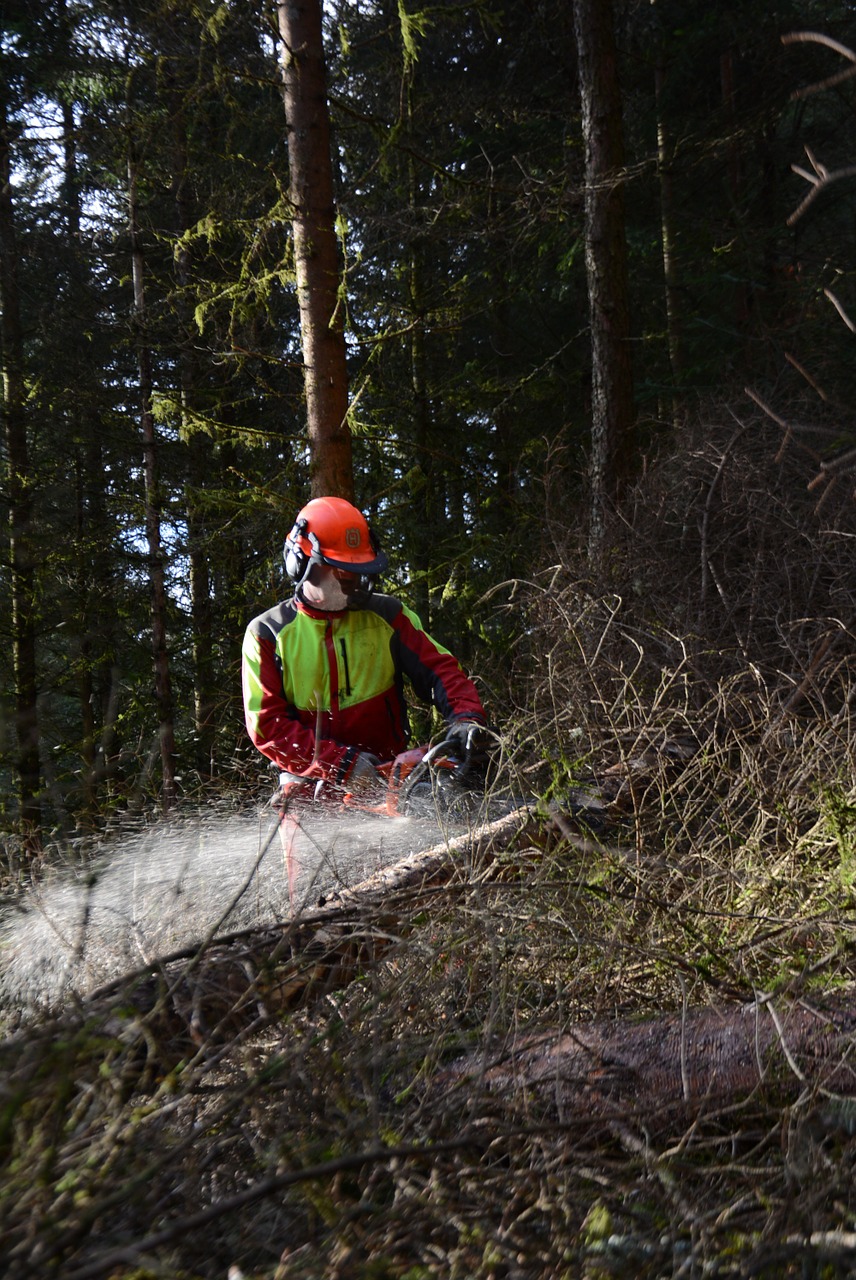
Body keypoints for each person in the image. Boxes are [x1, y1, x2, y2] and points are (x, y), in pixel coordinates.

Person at [241, 495, 488, 804]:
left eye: (359, 571)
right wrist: (339, 764)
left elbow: (441, 670)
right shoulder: (267, 634)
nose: (355, 583)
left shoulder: (388, 616)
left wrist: (466, 718)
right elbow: (267, 726)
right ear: (302, 564)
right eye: (343, 573)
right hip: (310, 789)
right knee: (305, 849)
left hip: (390, 781)